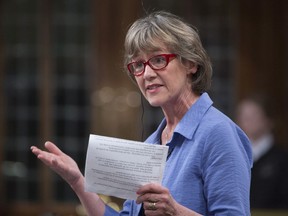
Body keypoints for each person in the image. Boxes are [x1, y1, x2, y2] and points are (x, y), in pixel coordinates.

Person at [31, 11, 252, 216]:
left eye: (158, 60)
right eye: (137, 65)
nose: (146, 74)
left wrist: (176, 211)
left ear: (190, 62)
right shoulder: (152, 144)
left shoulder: (218, 133)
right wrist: (77, 180)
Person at [236, 94, 288, 209]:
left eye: (253, 115)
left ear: (268, 120)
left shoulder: (282, 160)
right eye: (243, 115)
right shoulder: (233, 155)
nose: (246, 120)